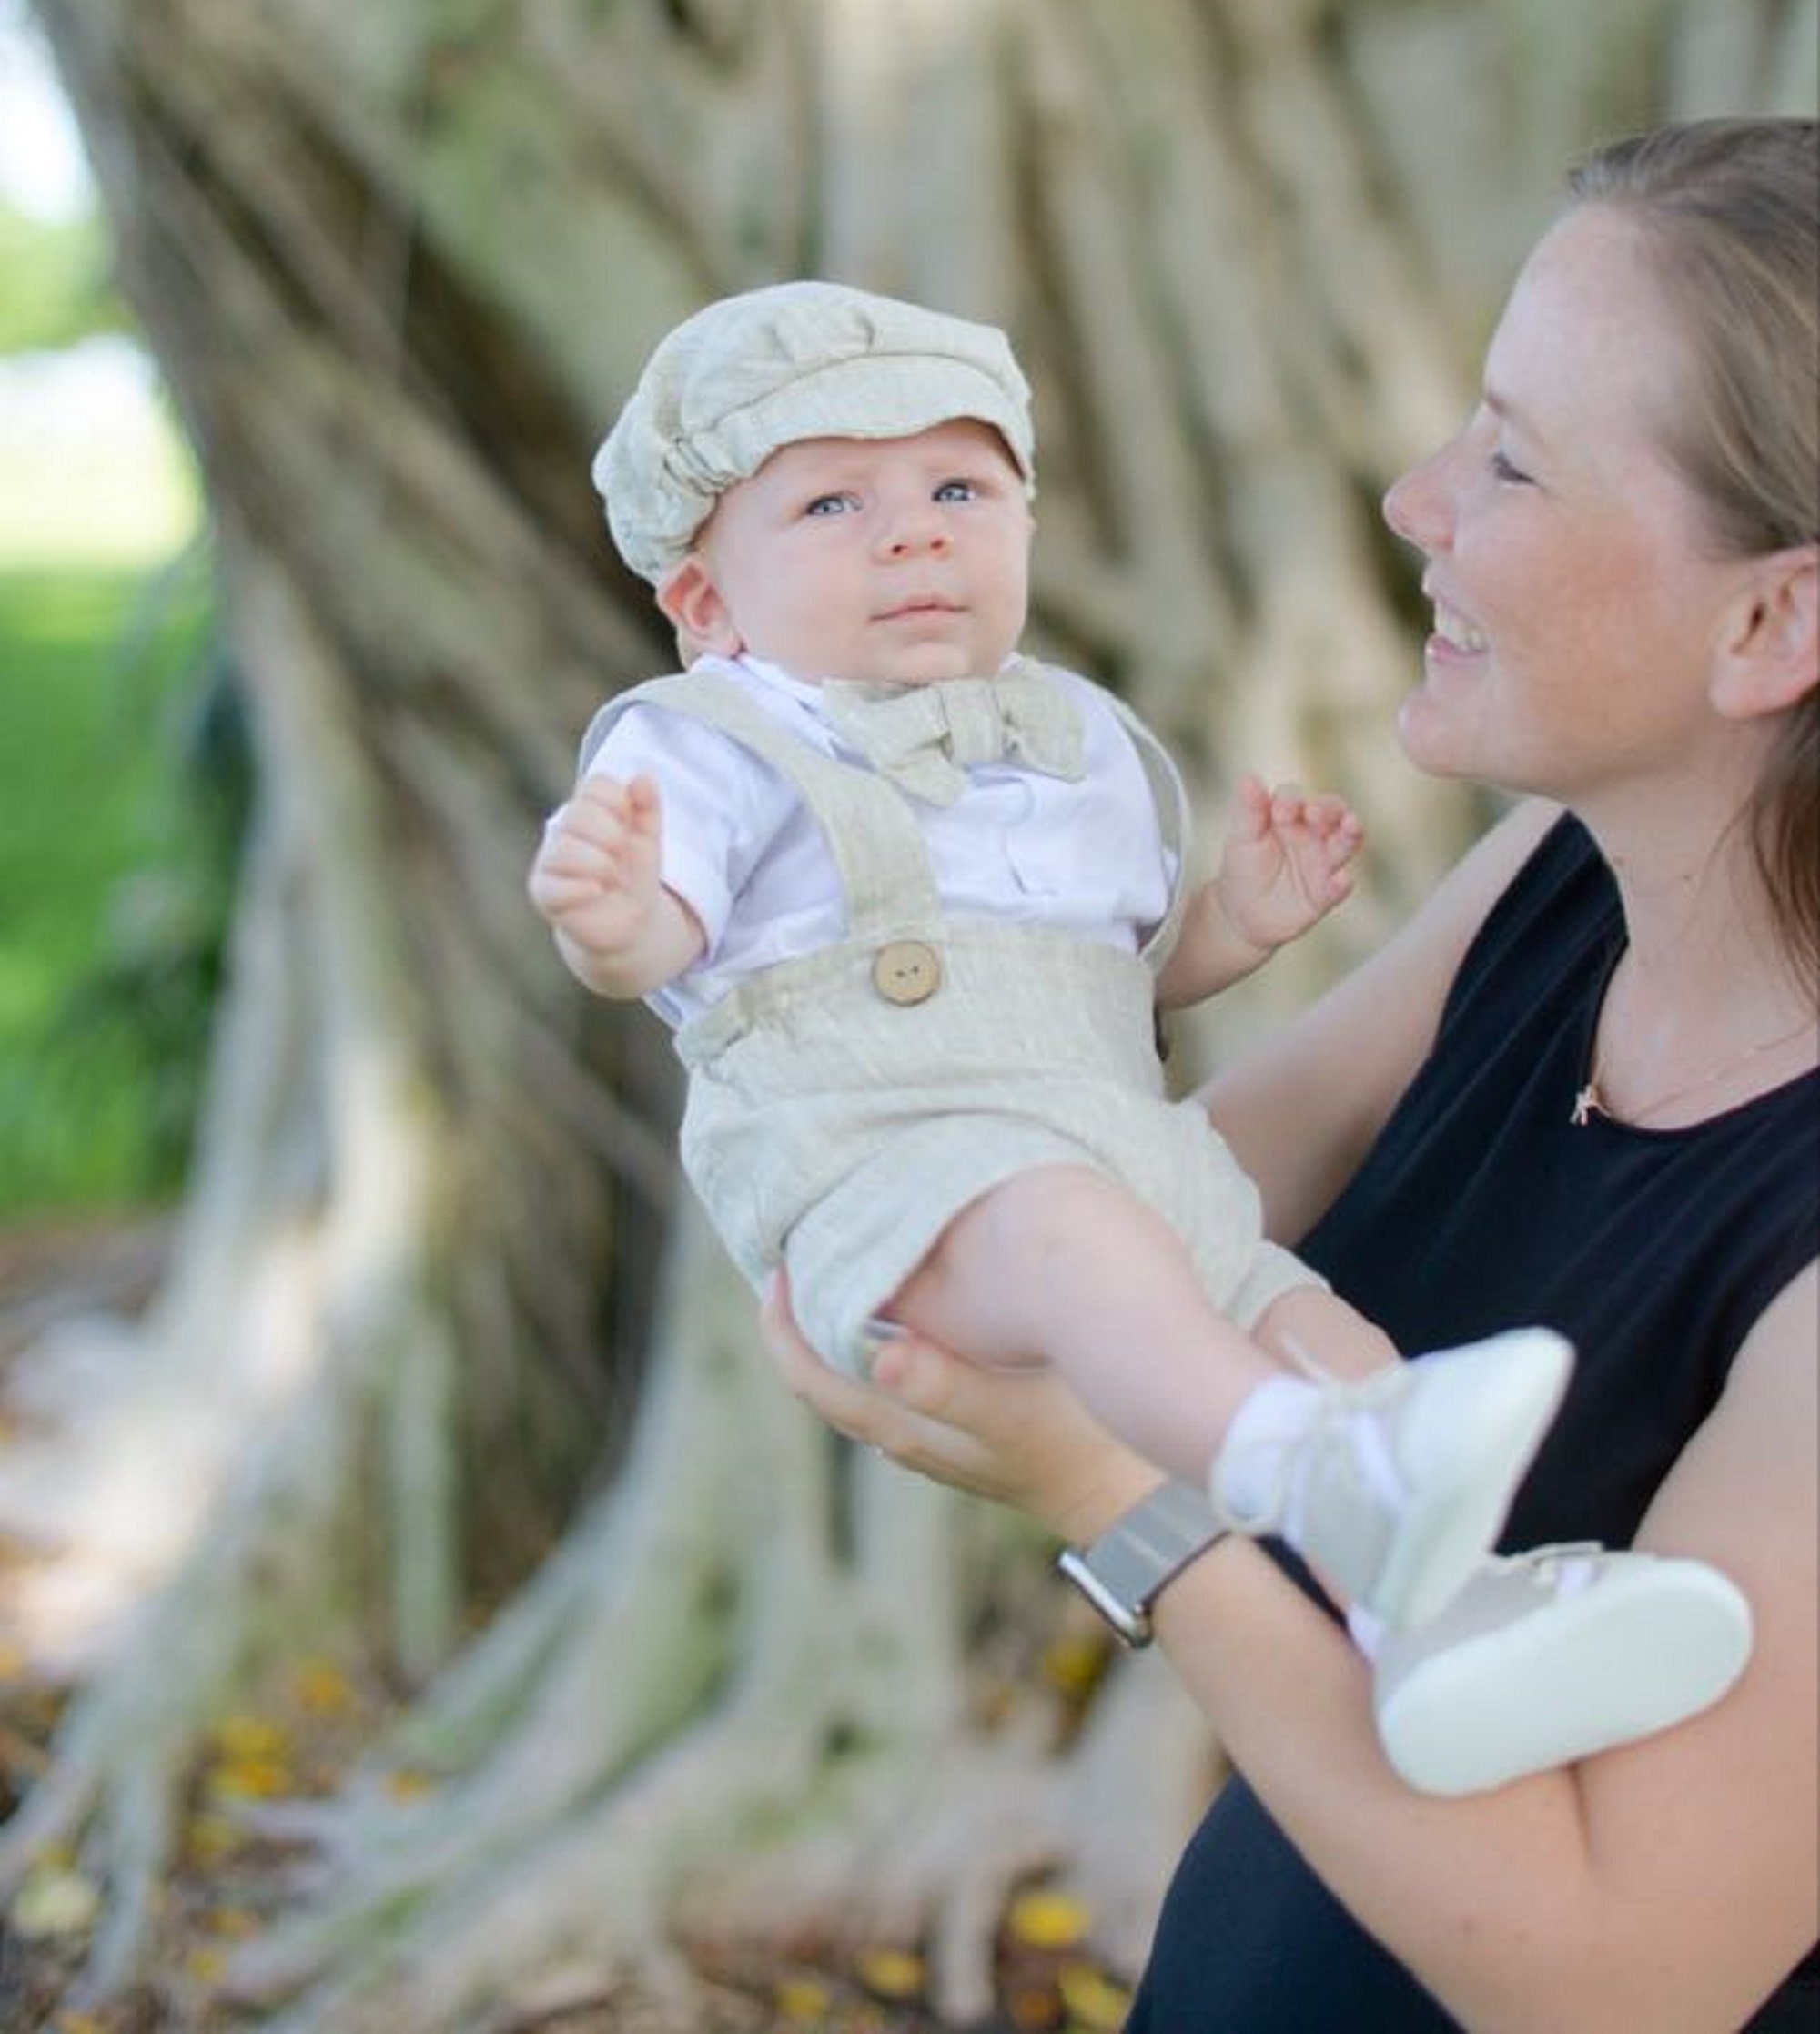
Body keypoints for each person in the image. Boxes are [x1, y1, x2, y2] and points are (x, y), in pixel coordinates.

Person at [761, 118, 1820, 2030]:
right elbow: (1150, 1203)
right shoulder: (1560, 885)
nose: (1417, 499)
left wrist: (1126, 1500)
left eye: (1508, 457)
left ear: (1771, 619)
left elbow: (1620, 1978)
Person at [531, 276, 1750, 1800]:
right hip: (899, 1175)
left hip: (1119, 1149)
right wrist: (610, 910)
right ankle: (1296, 1464)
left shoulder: (1074, 743)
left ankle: (1447, 1621)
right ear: (705, 605)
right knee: (1071, 1237)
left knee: (1310, 1319)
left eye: (958, 487)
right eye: (832, 502)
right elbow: (665, 948)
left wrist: (1228, 928)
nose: (912, 532)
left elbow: (1107, 983)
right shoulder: (712, 743)